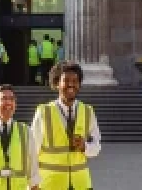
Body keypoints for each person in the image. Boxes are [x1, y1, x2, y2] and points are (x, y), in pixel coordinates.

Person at [31, 61, 101, 190]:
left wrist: (84, 146)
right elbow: (32, 150)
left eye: (75, 81)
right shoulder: (43, 112)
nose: (71, 84)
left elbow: (96, 147)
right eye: (66, 80)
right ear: (57, 83)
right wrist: (32, 183)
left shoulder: (88, 111)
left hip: (81, 184)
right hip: (50, 184)